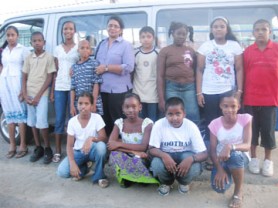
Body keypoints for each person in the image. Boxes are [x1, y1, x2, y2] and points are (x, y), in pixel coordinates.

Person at [196, 16, 244, 170]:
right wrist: (199, 93)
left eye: (222, 26)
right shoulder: (205, 46)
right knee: (212, 125)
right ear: (211, 29)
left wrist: (239, 92)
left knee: (227, 123)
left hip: (227, 91)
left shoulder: (234, 46)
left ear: (226, 29)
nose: (218, 29)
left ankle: (226, 153)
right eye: (215, 26)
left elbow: (239, 69)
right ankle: (212, 157)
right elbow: (199, 69)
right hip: (208, 91)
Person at [149, 97, 208, 196]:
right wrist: (164, 156)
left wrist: (191, 159)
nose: (174, 118)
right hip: (166, 156)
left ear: (184, 114)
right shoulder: (159, 124)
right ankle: (166, 182)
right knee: (156, 164)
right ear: (165, 114)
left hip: (185, 156)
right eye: (170, 114)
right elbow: (151, 149)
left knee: (196, 166)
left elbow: (204, 154)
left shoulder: (191, 126)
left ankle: (183, 182)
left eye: (178, 114)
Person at [244, 19, 278, 177]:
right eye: (257, 29)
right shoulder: (248, 51)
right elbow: (242, 74)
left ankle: (268, 161)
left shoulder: (276, 49)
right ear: (253, 33)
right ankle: (253, 159)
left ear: (270, 32)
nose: (260, 32)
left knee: (268, 132)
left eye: (263, 29)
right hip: (250, 99)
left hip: (270, 100)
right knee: (251, 132)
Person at [209, 91, 252, 208]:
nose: (229, 110)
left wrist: (230, 146)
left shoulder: (245, 119)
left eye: (233, 106)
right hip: (221, 158)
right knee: (219, 188)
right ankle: (234, 173)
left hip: (241, 156)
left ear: (238, 106)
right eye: (225, 106)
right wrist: (219, 169)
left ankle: (238, 191)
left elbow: (247, 145)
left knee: (235, 155)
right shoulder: (214, 124)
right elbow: (212, 150)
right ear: (220, 106)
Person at [57, 92, 109, 188]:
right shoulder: (72, 122)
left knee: (101, 147)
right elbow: (69, 145)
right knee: (62, 172)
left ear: (92, 106)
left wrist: (91, 139)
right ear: (77, 105)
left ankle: (99, 176)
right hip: (79, 152)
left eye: (86, 104)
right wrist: (72, 163)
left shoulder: (97, 118)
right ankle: (85, 168)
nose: (83, 107)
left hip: (93, 150)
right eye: (80, 103)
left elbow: (104, 138)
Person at [107, 93, 159, 188]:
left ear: (140, 107)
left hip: (142, 156)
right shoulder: (119, 123)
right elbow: (111, 145)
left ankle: (137, 177)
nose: (130, 110)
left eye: (134, 106)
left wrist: (119, 144)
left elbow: (143, 147)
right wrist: (132, 151)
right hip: (127, 154)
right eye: (127, 107)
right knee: (114, 155)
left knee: (138, 160)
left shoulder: (147, 123)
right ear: (122, 108)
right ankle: (129, 178)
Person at [95, 15, 135, 136]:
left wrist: (107, 68)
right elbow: (95, 64)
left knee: (118, 122)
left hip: (119, 91)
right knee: (105, 121)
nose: (112, 28)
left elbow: (129, 67)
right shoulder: (101, 44)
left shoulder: (126, 45)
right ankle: (109, 149)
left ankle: (120, 150)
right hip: (103, 89)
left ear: (121, 30)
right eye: (110, 26)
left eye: (116, 26)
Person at [22, 31, 56, 164]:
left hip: (41, 94)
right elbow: (24, 77)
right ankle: (38, 147)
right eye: (34, 41)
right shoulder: (29, 58)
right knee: (32, 122)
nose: (37, 42)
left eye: (39, 40)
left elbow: (49, 77)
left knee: (42, 122)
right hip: (29, 95)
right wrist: (25, 95)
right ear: (31, 43)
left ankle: (47, 148)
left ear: (44, 42)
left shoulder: (49, 57)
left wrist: (37, 96)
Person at [157, 21, 200, 125]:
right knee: (172, 115)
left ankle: (193, 139)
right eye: (178, 33)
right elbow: (160, 75)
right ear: (172, 33)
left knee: (192, 115)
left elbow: (196, 70)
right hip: (171, 87)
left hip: (189, 88)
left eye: (184, 34)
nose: (181, 36)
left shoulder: (191, 51)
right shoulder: (165, 51)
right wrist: (161, 99)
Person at [50, 21, 79, 163]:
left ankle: (72, 150)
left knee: (73, 120)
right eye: (65, 29)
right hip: (60, 88)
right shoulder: (57, 49)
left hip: (73, 88)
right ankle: (57, 151)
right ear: (62, 31)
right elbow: (55, 70)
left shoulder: (78, 48)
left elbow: (81, 64)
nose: (68, 31)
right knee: (59, 119)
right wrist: (51, 91)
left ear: (74, 31)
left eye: (70, 28)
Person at [0, 26, 30, 158]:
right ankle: (12, 145)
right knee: (9, 116)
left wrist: (24, 89)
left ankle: (23, 145)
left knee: (20, 116)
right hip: (4, 85)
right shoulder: (4, 51)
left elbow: (28, 69)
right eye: (8, 35)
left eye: (12, 35)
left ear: (17, 36)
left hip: (17, 85)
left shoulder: (23, 50)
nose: (10, 37)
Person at [132, 26, 159, 122]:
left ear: (153, 38)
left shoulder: (158, 53)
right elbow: (132, 71)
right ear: (139, 39)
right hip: (138, 94)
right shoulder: (135, 53)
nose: (146, 39)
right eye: (143, 37)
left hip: (153, 95)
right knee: (140, 121)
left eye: (148, 36)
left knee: (152, 122)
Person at [70, 40, 103, 117]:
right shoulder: (74, 67)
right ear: (78, 50)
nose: (85, 50)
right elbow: (72, 88)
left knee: (94, 125)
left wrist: (93, 104)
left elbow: (96, 84)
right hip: (80, 104)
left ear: (91, 51)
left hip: (92, 103)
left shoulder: (94, 64)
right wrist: (72, 106)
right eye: (82, 48)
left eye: (87, 48)